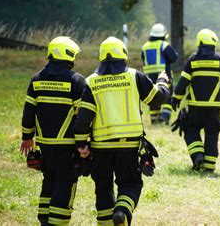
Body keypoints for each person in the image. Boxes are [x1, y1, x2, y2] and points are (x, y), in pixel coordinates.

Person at [74, 36, 169, 225]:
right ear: (124, 54)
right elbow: (157, 99)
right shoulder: (135, 76)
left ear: (101, 57)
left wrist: (81, 144)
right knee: (130, 183)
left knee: (103, 187)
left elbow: (83, 119)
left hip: (100, 147)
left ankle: (107, 222)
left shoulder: (91, 82)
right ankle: (122, 211)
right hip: (129, 145)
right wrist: (162, 82)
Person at [20, 36, 85, 225]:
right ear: (68, 55)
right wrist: (84, 142)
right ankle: (57, 221)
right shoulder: (76, 81)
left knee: (49, 180)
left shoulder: (36, 79)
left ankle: (44, 219)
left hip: (45, 145)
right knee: (65, 183)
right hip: (68, 145)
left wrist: (27, 137)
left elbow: (28, 111)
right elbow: (82, 115)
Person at [172, 29, 220, 172]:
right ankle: (209, 167)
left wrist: (176, 98)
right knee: (212, 135)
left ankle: (197, 156)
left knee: (191, 130)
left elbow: (183, 83)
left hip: (195, 108)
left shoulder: (192, 61)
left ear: (199, 42)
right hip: (214, 109)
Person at [141, 23, 178, 125]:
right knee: (168, 96)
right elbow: (174, 58)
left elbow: (143, 59)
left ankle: (154, 120)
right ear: (163, 35)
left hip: (149, 77)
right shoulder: (164, 45)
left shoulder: (144, 47)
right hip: (164, 75)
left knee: (153, 97)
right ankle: (165, 117)